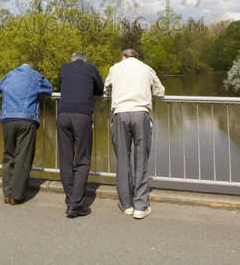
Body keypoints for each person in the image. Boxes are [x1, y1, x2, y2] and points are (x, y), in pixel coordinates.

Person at [104, 49, 165, 220]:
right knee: (141, 159)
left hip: (120, 113)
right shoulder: (147, 69)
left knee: (123, 159)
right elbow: (160, 91)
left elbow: (106, 89)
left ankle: (126, 204)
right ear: (136, 57)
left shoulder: (115, 68)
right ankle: (141, 205)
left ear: (123, 57)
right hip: (140, 113)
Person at [0, 62, 53, 204]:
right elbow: (49, 89)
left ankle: (7, 194)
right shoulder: (35, 76)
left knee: (9, 154)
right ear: (33, 68)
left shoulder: (9, 75)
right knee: (23, 156)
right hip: (26, 119)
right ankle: (17, 195)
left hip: (7, 118)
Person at [57, 52, 104, 218]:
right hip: (82, 116)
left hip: (62, 115)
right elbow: (100, 89)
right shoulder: (91, 69)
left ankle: (71, 197)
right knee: (82, 159)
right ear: (85, 60)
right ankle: (75, 204)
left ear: (71, 60)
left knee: (65, 158)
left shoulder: (65, 68)